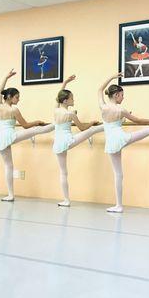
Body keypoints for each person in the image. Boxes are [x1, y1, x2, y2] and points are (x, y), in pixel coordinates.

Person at [98, 72, 149, 213]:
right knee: (147, 131)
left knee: (117, 174)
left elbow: (99, 89)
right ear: (116, 95)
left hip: (111, 142)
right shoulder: (120, 109)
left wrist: (112, 76)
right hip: (120, 138)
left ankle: (119, 205)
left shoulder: (103, 107)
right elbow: (137, 120)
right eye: (121, 94)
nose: (123, 97)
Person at [0, 69, 54, 201]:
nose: (19, 99)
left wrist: (6, 77)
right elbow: (26, 126)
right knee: (35, 130)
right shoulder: (13, 109)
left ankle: (10, 195)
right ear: (9, 97)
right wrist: (37, 122)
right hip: (10, 135)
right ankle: (56, 125)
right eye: (17, 97)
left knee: (8, 166)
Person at [54, 74, 103, 207]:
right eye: (71, 98)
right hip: (68, 140)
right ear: (65, 101)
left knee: (63, 172)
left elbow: (58, 96)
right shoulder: (70, 114)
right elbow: (82, 128)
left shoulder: (56, 110)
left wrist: (65, 83)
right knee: (91, 131)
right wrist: (92, 122)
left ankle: (66, 200)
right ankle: (108, 125)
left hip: (58, 143)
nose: (73, 100)